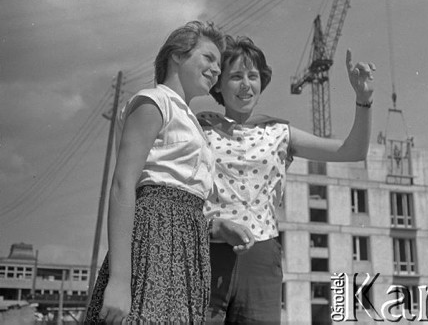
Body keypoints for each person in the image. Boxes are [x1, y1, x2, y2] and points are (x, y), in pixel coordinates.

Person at [197, 35, 375, 325]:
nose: (246, 85)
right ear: (218, 84)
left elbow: (352, 151)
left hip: (261, 255)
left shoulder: (279, 132)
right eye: (236, 76)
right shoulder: (199, 127)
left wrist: (364, 101)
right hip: (207, 253)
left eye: (252, 76)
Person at [85, 20, 236, 324]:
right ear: (177, 55)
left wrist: (213, 228)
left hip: (187, 243)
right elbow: (123, 184)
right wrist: (119, 280)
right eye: (208, 58)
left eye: (219, 65)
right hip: (154, 234)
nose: (217, 70)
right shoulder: (154, 101)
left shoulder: (189, 118)